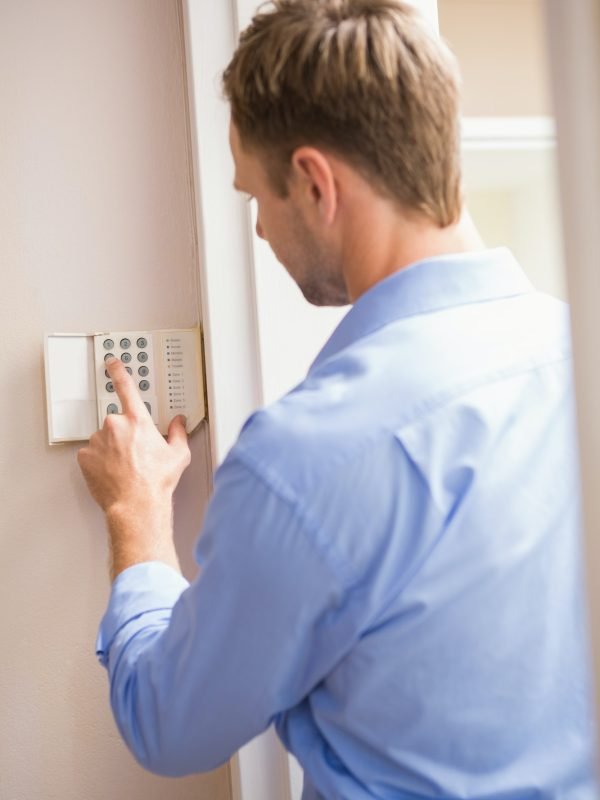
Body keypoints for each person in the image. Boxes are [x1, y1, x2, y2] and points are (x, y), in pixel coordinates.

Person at [77, 1, 598, 797]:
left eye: (256, 196)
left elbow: (168, 723)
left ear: (315, 183)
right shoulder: (576, 356)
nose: (257, 231)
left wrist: (135, 517)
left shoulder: (306, 457)